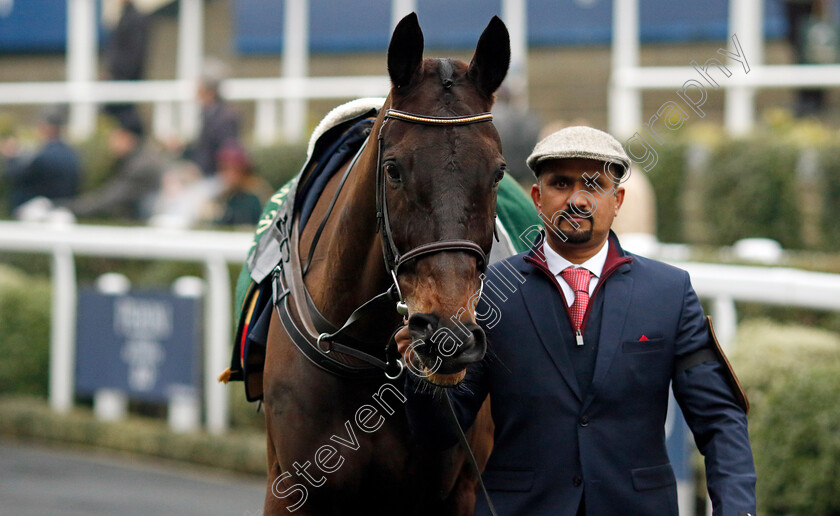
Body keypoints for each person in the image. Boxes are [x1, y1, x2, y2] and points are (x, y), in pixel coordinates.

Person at [396, 126, 756, 515]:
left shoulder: (670, 292)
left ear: (617, 200)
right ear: (537, 198)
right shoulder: (487, 294)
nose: (577, 199)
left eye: (594, 185)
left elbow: (720, 420)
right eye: (561, 183)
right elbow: (441, 433)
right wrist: (422, 373)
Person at [63, 112, 164, 220]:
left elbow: (109, 198)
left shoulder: (141, 166)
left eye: (115, 135)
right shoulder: (138, 158)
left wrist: (67, 207)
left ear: (128, 137)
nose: (111, 141)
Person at [2, 106, 82, 214]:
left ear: (47, 128)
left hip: (40, 209)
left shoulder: (44, 155)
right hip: (64, 208)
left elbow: (18, 176)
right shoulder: (72, 154)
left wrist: (11, 157)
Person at [183, 60, 241, 176]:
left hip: (216, 176)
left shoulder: (225, 117)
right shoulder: (208, 114)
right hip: (203, 173)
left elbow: (225, 152)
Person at [102, 0, 150, 128]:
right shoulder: (124, 16)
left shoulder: (134, 18)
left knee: (125, 120)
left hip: (124, 80)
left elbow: (134, 55)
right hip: (120, 79)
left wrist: (116, 74)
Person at [204, 141, 271, 226]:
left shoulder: (255, 196)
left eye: (233, 169)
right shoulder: (223, 194)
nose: (228, 175)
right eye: (224, 169)